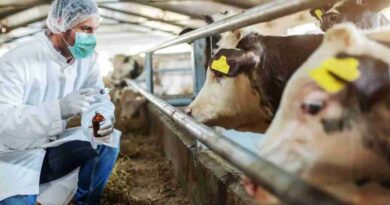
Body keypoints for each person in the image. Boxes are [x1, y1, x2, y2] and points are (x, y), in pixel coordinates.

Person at [0, 0, 121, 204]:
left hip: (51, 147)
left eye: (94, 30)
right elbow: (4, 124)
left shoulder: (87, 60)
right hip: (13, 155)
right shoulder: (16, 61)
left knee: (108, 141)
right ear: (59, 24)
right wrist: (58, 110)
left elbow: (98, 98)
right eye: (85, 29)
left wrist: (99, 119)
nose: (92, 38)